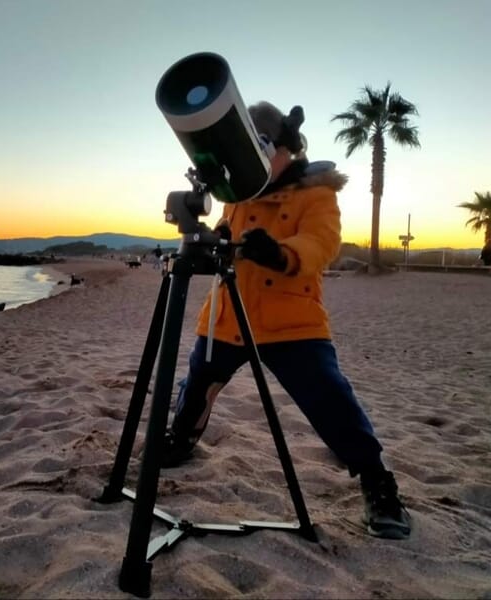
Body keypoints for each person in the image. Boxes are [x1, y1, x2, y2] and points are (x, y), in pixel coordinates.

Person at [162, 101, 412, 540]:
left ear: (285, 148)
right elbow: (228, 231)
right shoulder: (236, 193)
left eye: (261, 146)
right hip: (228, 311)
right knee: (198, 381)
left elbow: (321, 243)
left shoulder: (317, 193)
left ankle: (376, 480)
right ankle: (182, 439)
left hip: (291, 319)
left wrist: (280, 253)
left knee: (329, 397)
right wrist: (218, 238)